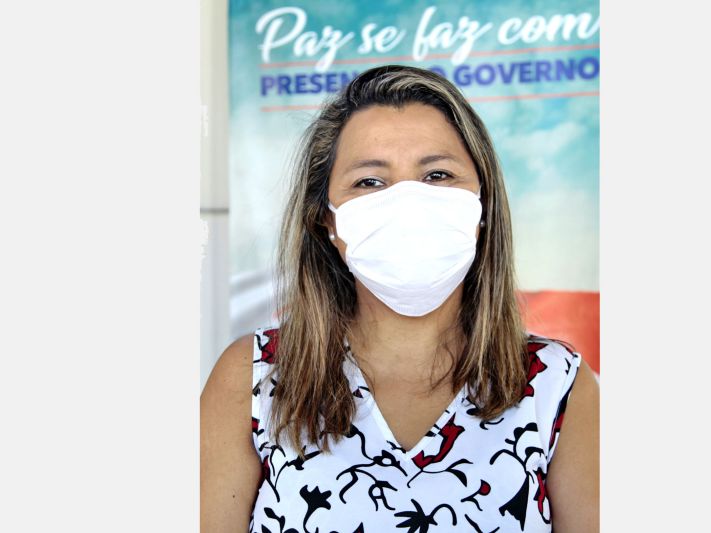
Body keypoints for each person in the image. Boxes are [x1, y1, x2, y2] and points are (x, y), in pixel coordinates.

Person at [201, 64, 599, 533]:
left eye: (437, 174)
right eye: (370, 182)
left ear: (483, 203)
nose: (409, 203)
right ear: (326, 221)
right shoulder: (253, 379)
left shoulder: (557, 386)